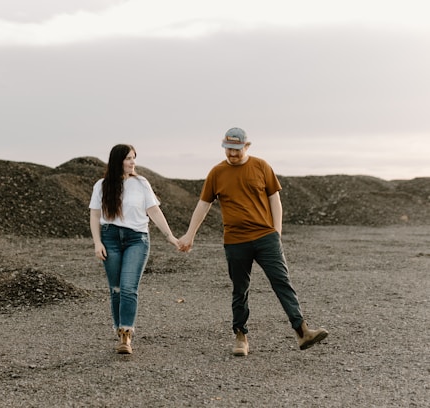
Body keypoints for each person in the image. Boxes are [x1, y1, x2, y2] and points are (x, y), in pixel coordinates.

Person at [179, 127, 328, 356]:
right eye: (228, 149)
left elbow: (274, 199)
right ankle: (241, 337)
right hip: (236, 241)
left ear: (247, 146)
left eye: (237, 149)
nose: (232, 154)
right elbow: (203, 205)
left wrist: (276, 232)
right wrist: (190, 235)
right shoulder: (216, 173)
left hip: (265, 237)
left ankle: (302, 331)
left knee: (282, 282)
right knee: (240, 289)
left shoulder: (261, 166)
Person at [89, 144, 180, 354]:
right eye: (128, 158)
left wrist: (170, 237)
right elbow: (95, 215)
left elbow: (154, 210)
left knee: (129, 287)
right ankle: (119, 330)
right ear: (117, 161)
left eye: (134, 158)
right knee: (116, 289)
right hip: (109, 238)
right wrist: (97, 242)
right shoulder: (101, 186)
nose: (132, 162)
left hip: (136, 239)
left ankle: (126, 334)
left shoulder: (141, 183)